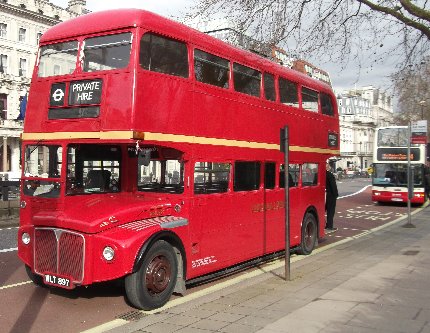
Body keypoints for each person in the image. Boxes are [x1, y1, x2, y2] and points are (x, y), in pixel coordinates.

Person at [325, 163, 339, 232]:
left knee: (322, 211)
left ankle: (323, 225)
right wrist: (336, 194)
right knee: (330, 211)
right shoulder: (330, 175)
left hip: (322, 196)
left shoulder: (317, 174)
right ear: (327, 167)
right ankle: (329, 226)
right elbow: (333, 186)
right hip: (330, 195)